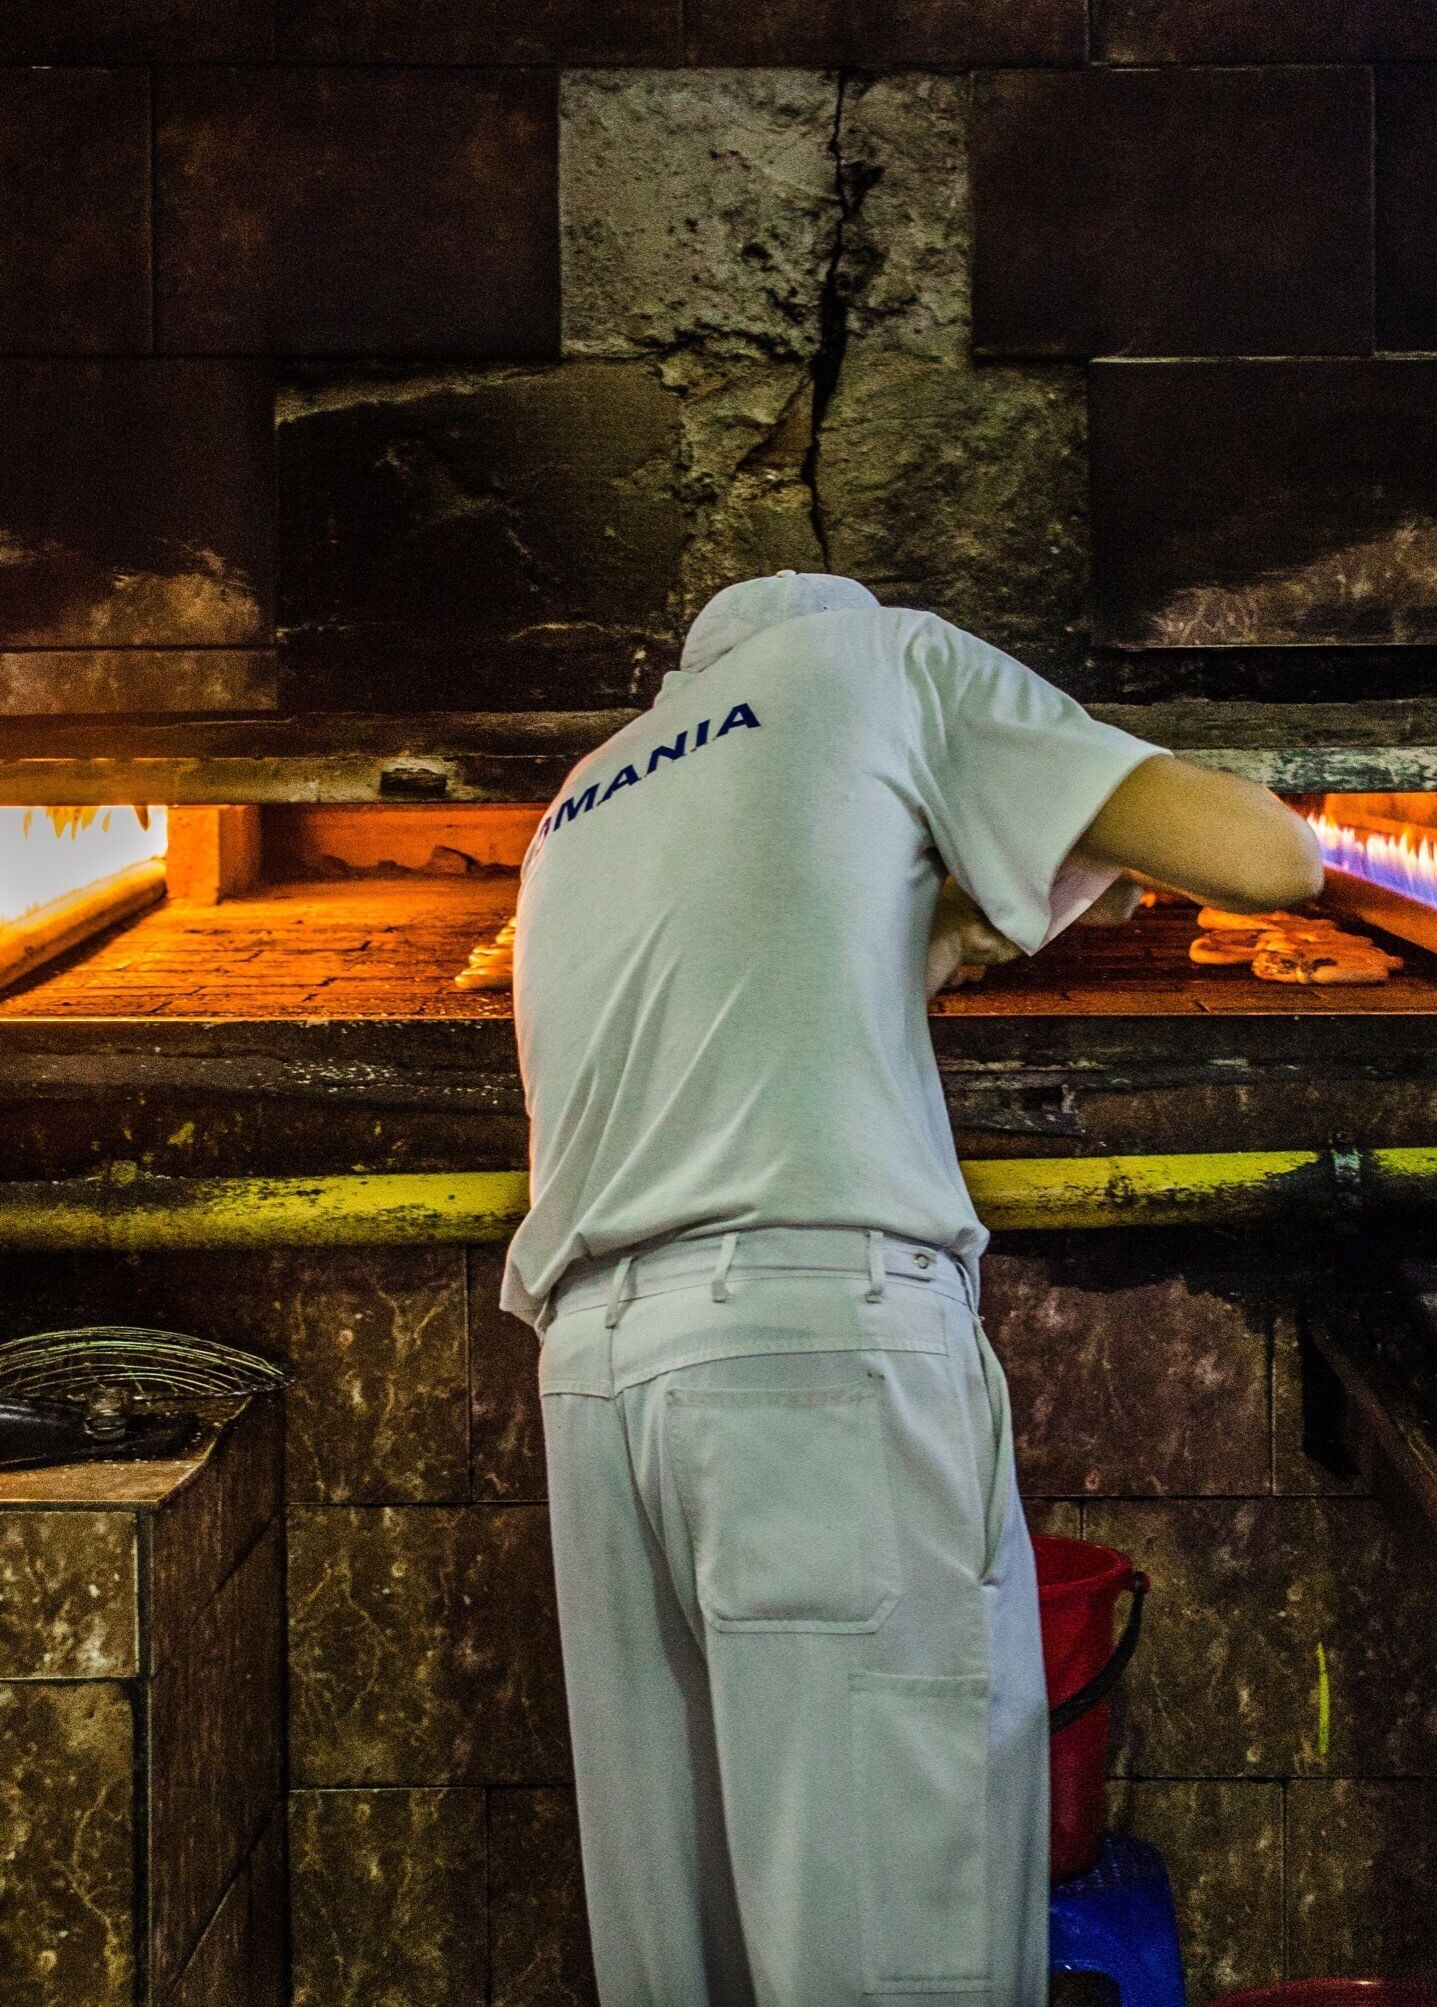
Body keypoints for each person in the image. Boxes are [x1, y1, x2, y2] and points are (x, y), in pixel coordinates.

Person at [501, 571, 1323, 2007]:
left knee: (684, 1963)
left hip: (598, 1387)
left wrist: (953, 913)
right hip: (805, 1368)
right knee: (894, 1938)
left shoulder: (588, 796)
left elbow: (809, 951)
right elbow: (1265, 863)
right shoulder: (879, 659)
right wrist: (1098, 797)